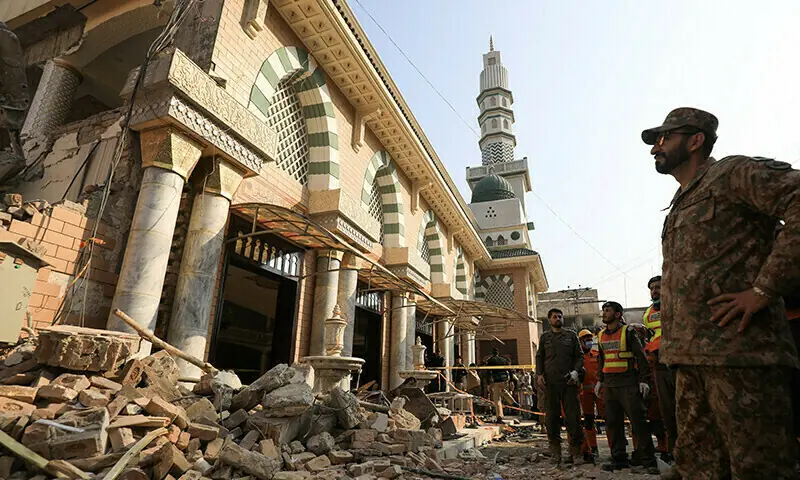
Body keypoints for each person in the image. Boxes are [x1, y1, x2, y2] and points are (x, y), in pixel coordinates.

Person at [642, 107, 800, 478]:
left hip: (741, 356)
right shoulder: (679, 204)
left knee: (758, 466)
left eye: (665, 138)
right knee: (700, 467)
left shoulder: (732, 174)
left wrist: (763, 289)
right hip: (689, 359)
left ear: (695, 140)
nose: (655, 148)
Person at [594, 302, 658, 474]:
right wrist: (600, 380)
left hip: (628, 383)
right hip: (610, 384)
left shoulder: (628, 332)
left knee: (638, 422)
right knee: (613, 423)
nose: (604, 313)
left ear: (617, 314)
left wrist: (644, 380)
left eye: (608, 310)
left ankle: (648, 460)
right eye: (604, 310)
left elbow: (641, 356)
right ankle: (619, 458)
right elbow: (601, 359)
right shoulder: (600, 335)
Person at [535, 308, 585, 465]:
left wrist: (576, 372)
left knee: (573, 418)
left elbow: (580, 356)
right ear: (549, 320)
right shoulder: (545, 338)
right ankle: (555, 452)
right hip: (550, 385)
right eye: (555, 317)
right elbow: (539, 357)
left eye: (560, 316)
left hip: (568, 384)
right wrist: (539, 375)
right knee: (551, 419)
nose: (558, 318)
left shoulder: (571, 336)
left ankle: (576, 452)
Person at [641, 275, 676, 462]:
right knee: (667, 412)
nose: (655, 291)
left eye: (658, 287)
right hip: (660, 366)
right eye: (652, 288)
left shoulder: (677, 304)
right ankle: (674, 452)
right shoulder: (647, 314)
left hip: (679, 363)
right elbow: (651, 337)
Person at [577, 329, 609, 463]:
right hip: (585, 393)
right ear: (581, 341)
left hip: (599, 391)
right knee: (589, 421)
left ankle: (615, 448)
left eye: (590, 339)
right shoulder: (577, 358)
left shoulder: (596, 355)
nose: (589, 341)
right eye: (586, 339)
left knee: (608, 419)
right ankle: (593, 448)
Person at [485, 348, 511, 422]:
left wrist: (488, 384)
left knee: (497, 399)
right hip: (505, 380)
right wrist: (511, 380)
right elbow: (510, 370)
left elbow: (488, 372)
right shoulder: (504, 360)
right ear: (498, 353)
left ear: (492, 353)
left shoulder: (490, 361)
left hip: (496, 381)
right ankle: (511, 401)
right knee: (504, 393)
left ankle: (499, 416)